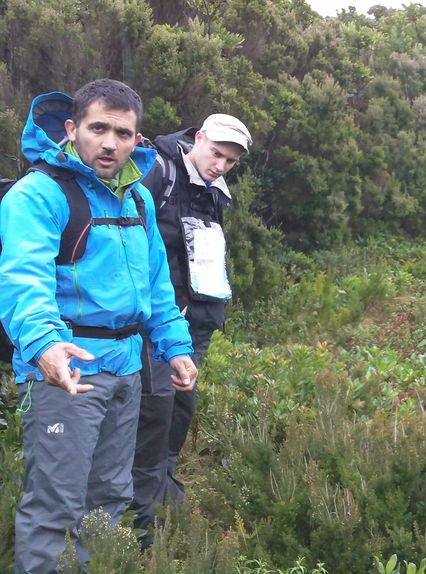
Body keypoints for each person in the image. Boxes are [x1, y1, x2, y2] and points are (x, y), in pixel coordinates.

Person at [0, 79, 197, 574]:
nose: (110, 143)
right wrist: (45, 346)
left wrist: (174, 345)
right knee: (57, 505)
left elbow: (156, 285)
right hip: (67, 372)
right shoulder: (38, 194)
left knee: (110, 495)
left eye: (124, 133)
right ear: (72, 129)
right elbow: (24, 278)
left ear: (138, 138)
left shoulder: (137, 199)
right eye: (98, 128)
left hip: (128, 369)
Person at [131, 113, 250, 544]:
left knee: (179, 412)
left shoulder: (215, 192)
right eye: (216, 153)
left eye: (230, 161)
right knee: (152, 415)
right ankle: (139, 524)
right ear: (198, 138)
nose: (220, 165)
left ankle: (163, 499)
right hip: (155, 325)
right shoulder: (156, 171)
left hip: (194, 327)